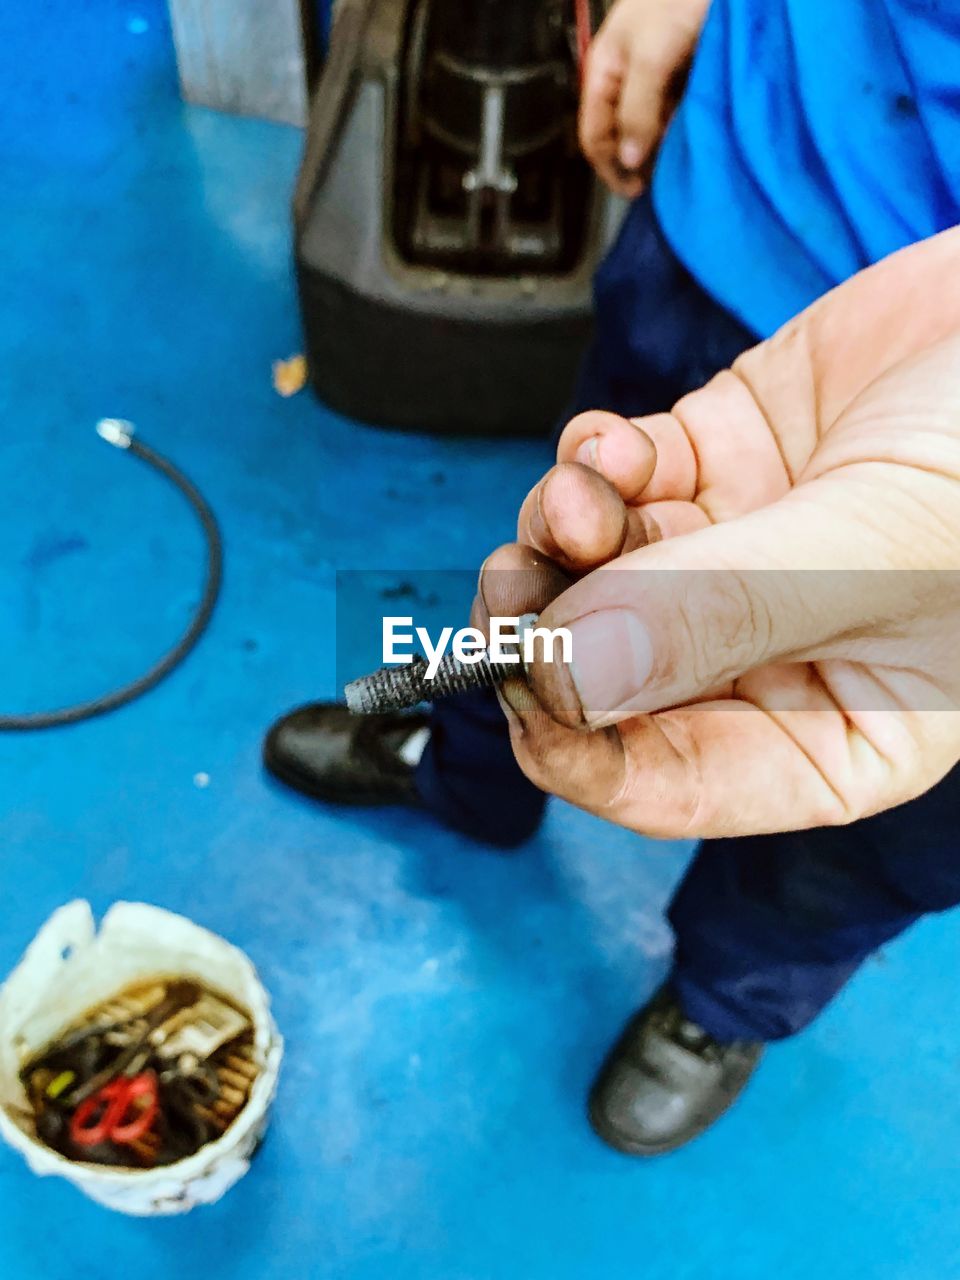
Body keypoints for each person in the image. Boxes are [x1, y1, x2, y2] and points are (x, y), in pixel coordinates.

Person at [264, 0, 960, 1154]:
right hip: (735, 227)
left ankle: (722, 1001)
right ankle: (465, 770)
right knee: (549, 564)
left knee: (874, 802)